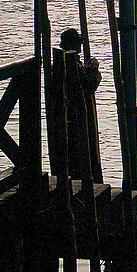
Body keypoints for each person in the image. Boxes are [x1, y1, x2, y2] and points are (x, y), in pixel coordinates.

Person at [50, 27, 103, 183]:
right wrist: (94, 70)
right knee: (82, 152)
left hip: (68, 117)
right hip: (78, 118)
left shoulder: (62, 64)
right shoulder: (72, 64)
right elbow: (88, 86)